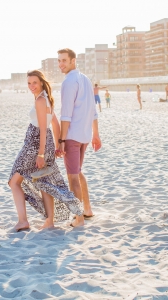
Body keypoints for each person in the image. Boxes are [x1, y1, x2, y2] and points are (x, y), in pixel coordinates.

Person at [8, 70, 83, 231]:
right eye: (29, 83)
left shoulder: (41, 100)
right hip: (44, 143)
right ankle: (49, 220)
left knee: (14, 181)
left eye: (34, 82)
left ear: (41, 82)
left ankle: (23, 221)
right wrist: (57, 145)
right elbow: (54, 125)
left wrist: (41, 153)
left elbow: (43, 129)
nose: (31, 86)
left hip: (34, 145)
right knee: (44, 181)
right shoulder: (46, 99)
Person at [57, 48, 102, 228]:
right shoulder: (85, 79)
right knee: (78, 171)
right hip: (84, 136)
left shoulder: (69, 82)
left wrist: (61, 140)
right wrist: (95, 134)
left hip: (72, 137)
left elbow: (65, 115)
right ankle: (87, 209)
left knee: (73, 177)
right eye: (59, 61)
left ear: (73, 61)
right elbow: (93, 111)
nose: (61, 64)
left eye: (64, 61)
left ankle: (78, 219)